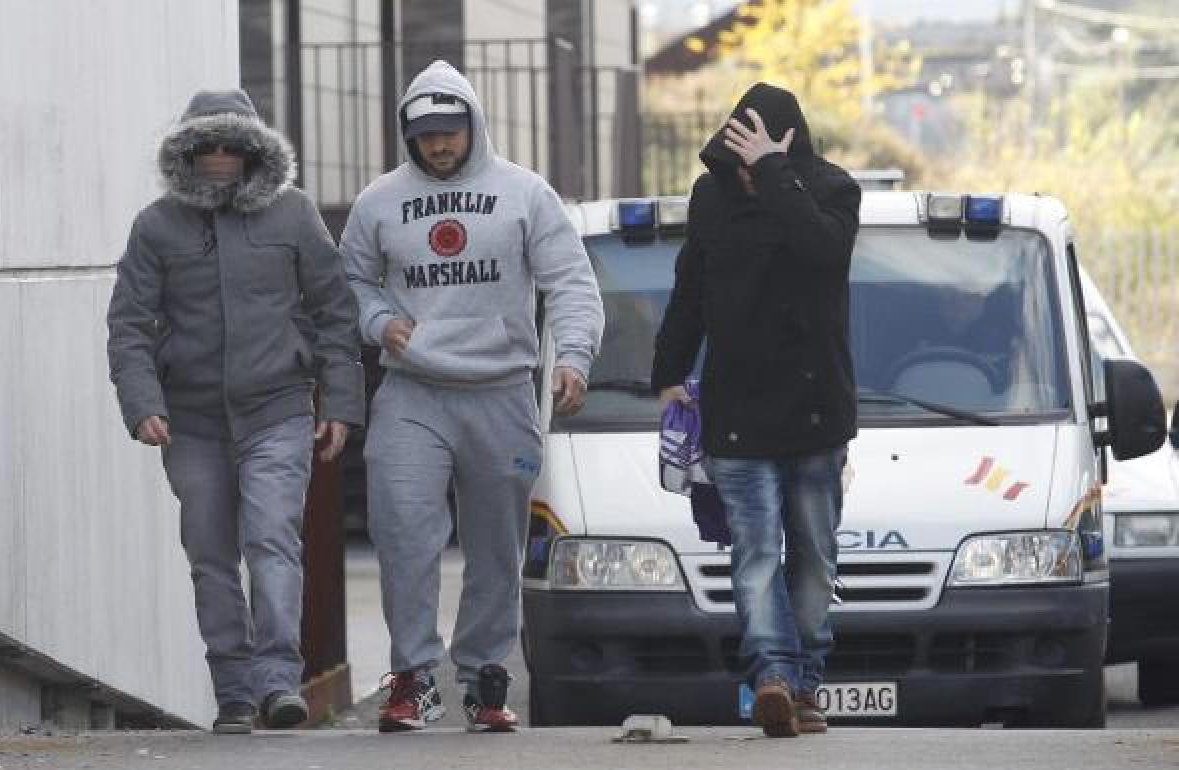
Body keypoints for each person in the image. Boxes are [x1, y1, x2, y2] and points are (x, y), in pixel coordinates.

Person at [340, 60, 604, 733]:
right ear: (409, 133)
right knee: (402, 531)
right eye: (426, 133)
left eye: (450, 130)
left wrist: (573, 355)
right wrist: (377, 320)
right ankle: (414, 676)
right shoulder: (377, 201)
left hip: (502, 390)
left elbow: (570, 282)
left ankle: (486, 676)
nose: (439, 144)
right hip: (412, 391)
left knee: (495, 544)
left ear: (473, 124)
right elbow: (349, 282)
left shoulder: (524, 193)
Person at [106, 89, 365, 735]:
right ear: (188, 151)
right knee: (211, 555)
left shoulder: (295, 215)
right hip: (189, 423)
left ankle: (279, 683)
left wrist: (338, 402)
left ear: (254, 152)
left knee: (273, 540)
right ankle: (234, 694)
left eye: (233, 146)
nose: (221, 157)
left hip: (277, 409)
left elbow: (335, 312)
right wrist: (142, 406)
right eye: (208, 146)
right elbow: (129, 326)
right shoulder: (156, 225)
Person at [651, 83, 861, 737]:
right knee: (755, 552)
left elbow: (823, 251)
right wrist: (668, 371)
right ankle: (772, 674)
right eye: (735, 161)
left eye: (755, 158)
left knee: (815, 555)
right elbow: (691, 286)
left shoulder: (832, 191)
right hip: (736, 408)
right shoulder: (712, 198)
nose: (743, 174)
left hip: (815, 409)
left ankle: (803, 686)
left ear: (787, 146)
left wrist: (773, 172)